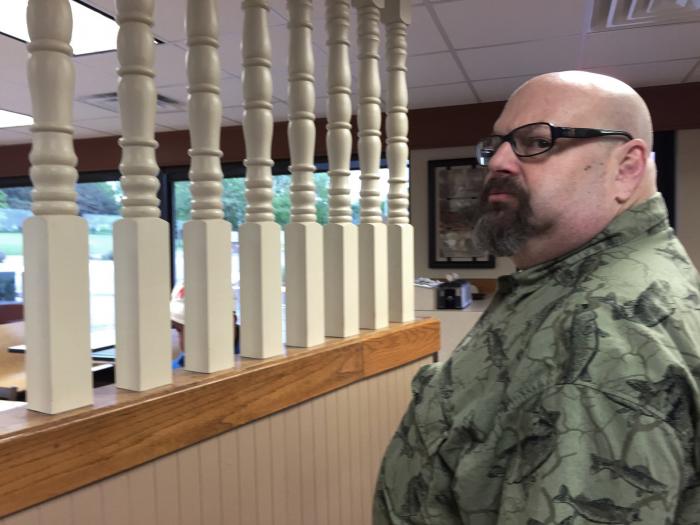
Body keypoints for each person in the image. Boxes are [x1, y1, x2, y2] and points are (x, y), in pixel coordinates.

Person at [374, 71, 700, 524]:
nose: (499, 161)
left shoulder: (603, 335)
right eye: (497, 144)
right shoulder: (568, 284)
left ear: (626, 168)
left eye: (537, 142)